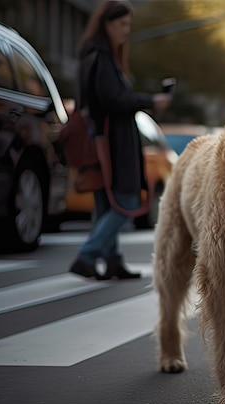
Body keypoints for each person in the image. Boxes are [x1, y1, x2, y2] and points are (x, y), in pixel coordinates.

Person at [69, 0, 172, 280]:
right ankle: (88, 255)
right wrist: (150, 100)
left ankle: (112, 260)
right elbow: (114, 100)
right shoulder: (102, 58)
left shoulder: (93, 56)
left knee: (106, 204)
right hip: (112, 144)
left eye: (128, 24)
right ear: (106, 24)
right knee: (125, 204)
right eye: (121, 24)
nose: (126, 30)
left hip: (101, 141)